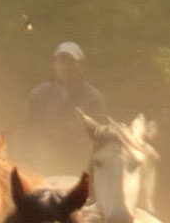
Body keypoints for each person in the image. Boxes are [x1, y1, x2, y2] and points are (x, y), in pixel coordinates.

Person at [19, 42, 107, 171]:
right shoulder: (37, 94)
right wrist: (24, 159)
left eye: (71, 62)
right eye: (61, 61)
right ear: (53, 65)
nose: (66, 67)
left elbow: (96, 138)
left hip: (77, 168)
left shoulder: (93, 98)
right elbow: (25, 130)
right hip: (39, 166)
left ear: (82, 67)